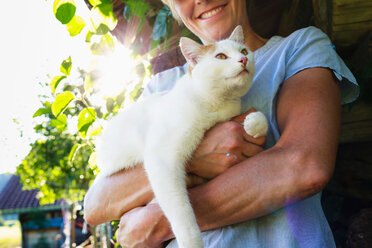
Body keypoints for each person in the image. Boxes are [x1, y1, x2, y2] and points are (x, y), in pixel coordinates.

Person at [84, 0, 359, 247]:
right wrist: (192, 157)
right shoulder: (161, 87)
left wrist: (158, 220)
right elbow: (97, 205)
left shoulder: (298, 48)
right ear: (171, 7)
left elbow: (305, 167)